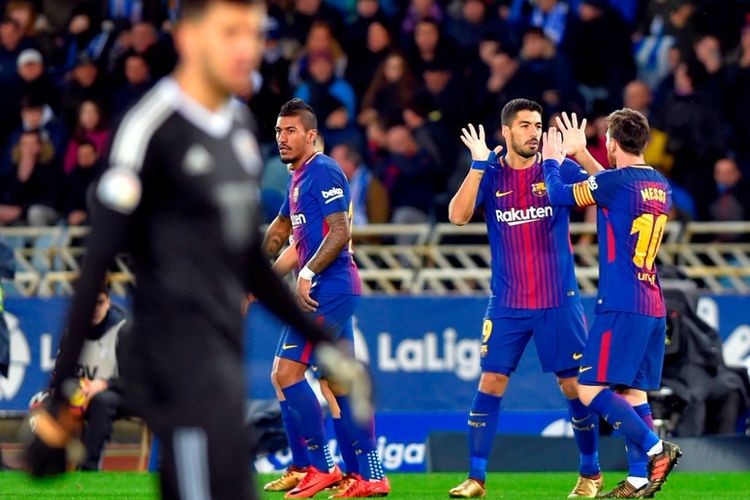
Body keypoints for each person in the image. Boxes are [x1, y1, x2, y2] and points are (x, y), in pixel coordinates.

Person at [24, 3, 367, 500]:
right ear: (187, 38)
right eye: (229, 32)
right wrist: (60, 396)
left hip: (223, 359)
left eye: (252, 32)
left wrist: (327, 344)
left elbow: (249, 261)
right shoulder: (150, 126)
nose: (246, 47)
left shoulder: (238, 131)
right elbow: (96, 261)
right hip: (174, 357)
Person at [446, 99, 603, 499]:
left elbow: (611, 190)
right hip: (508, 303)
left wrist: (581, 153)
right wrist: (477, 165)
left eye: (538, 125)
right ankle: (476, 478)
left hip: (557, 301)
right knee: (491, 380)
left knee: (573, 388)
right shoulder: (492, 173)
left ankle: (591, 473)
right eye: (526, 125)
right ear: (507, 132)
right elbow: (458, 215)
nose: (535, 132)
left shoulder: (556, 167)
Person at [542, 108, 682, 498]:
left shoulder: (617, 184)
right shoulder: (659, 183)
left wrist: (556, 160)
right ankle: (639, 480)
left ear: (611, 142)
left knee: (589, 388)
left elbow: (559, 196)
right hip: (653, 302)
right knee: (633, 394)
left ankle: (657, 450)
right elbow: (610, 182)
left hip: (622, 303)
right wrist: (582, 153)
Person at [261, 98, 388, 498]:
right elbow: (286, 234)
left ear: (311, 135)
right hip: (327, 288)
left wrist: (309, 273)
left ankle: (319, 466)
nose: (282, 138)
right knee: (337, 382)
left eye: (291, 131)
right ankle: (367, 475)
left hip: (328, 289)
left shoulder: (325, 171)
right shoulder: (298, 179)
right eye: (279, 131)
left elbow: (340, 231)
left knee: (286, 373)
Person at [54, 283, 128, 471]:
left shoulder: (123, 329)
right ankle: (50, 465)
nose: (94, 309)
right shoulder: (73, 330)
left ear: (108, 302)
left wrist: (104, 384)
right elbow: (60, 373)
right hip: (81, 394)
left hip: (122, 393)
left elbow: (136, 379)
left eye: (100, 302)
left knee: (102, 402)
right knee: (46, 401)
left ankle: (89, 468)